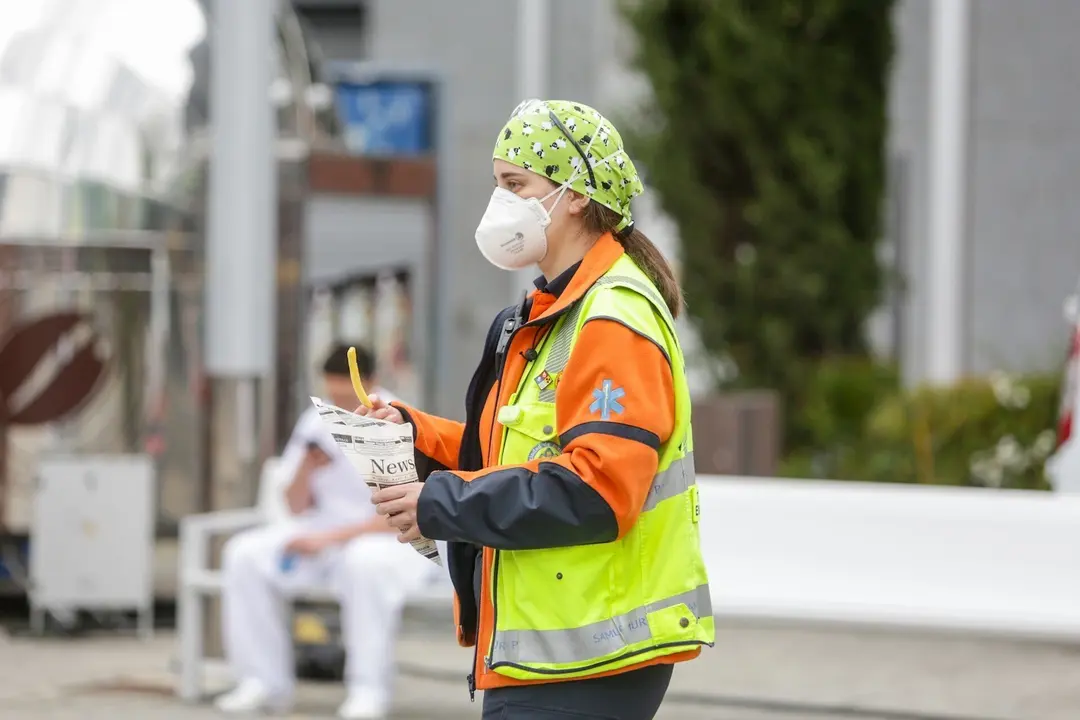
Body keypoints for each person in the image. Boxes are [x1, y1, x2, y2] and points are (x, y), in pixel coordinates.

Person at [360, 100, 714, 719]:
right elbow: (506, 449)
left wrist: (437, 503)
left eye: (515, 185)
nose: (501, 204)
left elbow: (596, 491)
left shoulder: (612, 319)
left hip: (589, 658)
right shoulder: (542, 316)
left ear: (575, 195)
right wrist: (414, 433)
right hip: (548, 653)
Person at [215, 343, 440, 719]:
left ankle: (368, 689)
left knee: (363, 563)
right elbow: (295, 506)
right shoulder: (314, 421)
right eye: (332, 393)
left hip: (390, 542)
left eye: (346, 394)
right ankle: (261, 681)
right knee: (243, 554)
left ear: (371, 383)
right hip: (326, 535)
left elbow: (401, 514)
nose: (338, 402)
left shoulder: (394, 422)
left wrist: (327, 539)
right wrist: (305, 469)